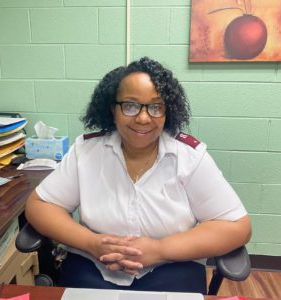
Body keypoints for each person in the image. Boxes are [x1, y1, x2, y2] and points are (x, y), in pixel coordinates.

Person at [25, 57, 251, 294]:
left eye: (155, 106)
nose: (143, 118)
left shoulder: (190, 157)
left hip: (172, 267)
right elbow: (40, 205)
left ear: (167, 111)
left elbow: (237, 226)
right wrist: (91, 243)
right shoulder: (87, 151)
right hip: (92, 264)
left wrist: (160, 249)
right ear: (113, 109)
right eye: (131, 105)